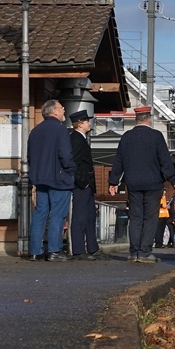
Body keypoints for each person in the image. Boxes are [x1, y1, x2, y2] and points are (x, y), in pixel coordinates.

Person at [108, 105, 175, 264]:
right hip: (153, 184)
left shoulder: (126, 137)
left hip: (132, 183)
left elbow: (118, 161)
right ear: (149, 119)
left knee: (136, 217)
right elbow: (165, 161)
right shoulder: (156, 136)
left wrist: (113, 182)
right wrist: (173, 180)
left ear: (136, 119)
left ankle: (134, 252)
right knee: (150, 218)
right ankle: (145, 252)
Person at [28, 99, 75, 261]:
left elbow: (30, 157)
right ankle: (54, 250)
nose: (64, 111)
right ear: (54, 111)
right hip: (59, 178)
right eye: (62, 108)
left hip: (40, 179)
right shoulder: (60, 130)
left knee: (40, 213)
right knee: (58, 215)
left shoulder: (35, 131)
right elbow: (66, 155)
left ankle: (35, 251)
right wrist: (71, 171)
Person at [67, 110, 102, 260]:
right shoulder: (75, 139)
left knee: (89, 216)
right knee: (80, 216)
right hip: (82, 185)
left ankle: (93, 248)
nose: (90, 123)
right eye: (87, 121)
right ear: (80, 124)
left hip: (86, 185)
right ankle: (78, 250)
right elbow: (73, 162)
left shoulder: (80, 138)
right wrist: (83, 181)